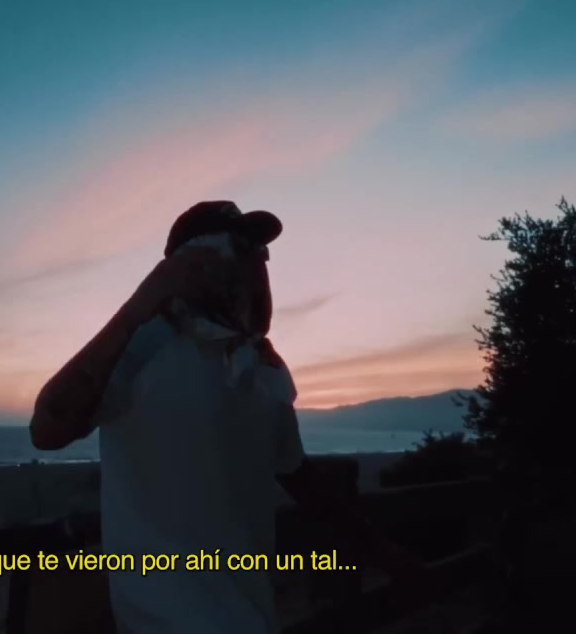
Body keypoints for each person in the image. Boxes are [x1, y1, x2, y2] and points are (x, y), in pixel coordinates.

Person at [29, 201, 429, 633]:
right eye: (241, 251)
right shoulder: (139, 348)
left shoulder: (263, 369)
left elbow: (302, 480)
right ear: (192, 266)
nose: (259, 269)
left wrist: (387, 555)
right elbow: (48, 430)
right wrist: (140, 305)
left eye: (262, 255)